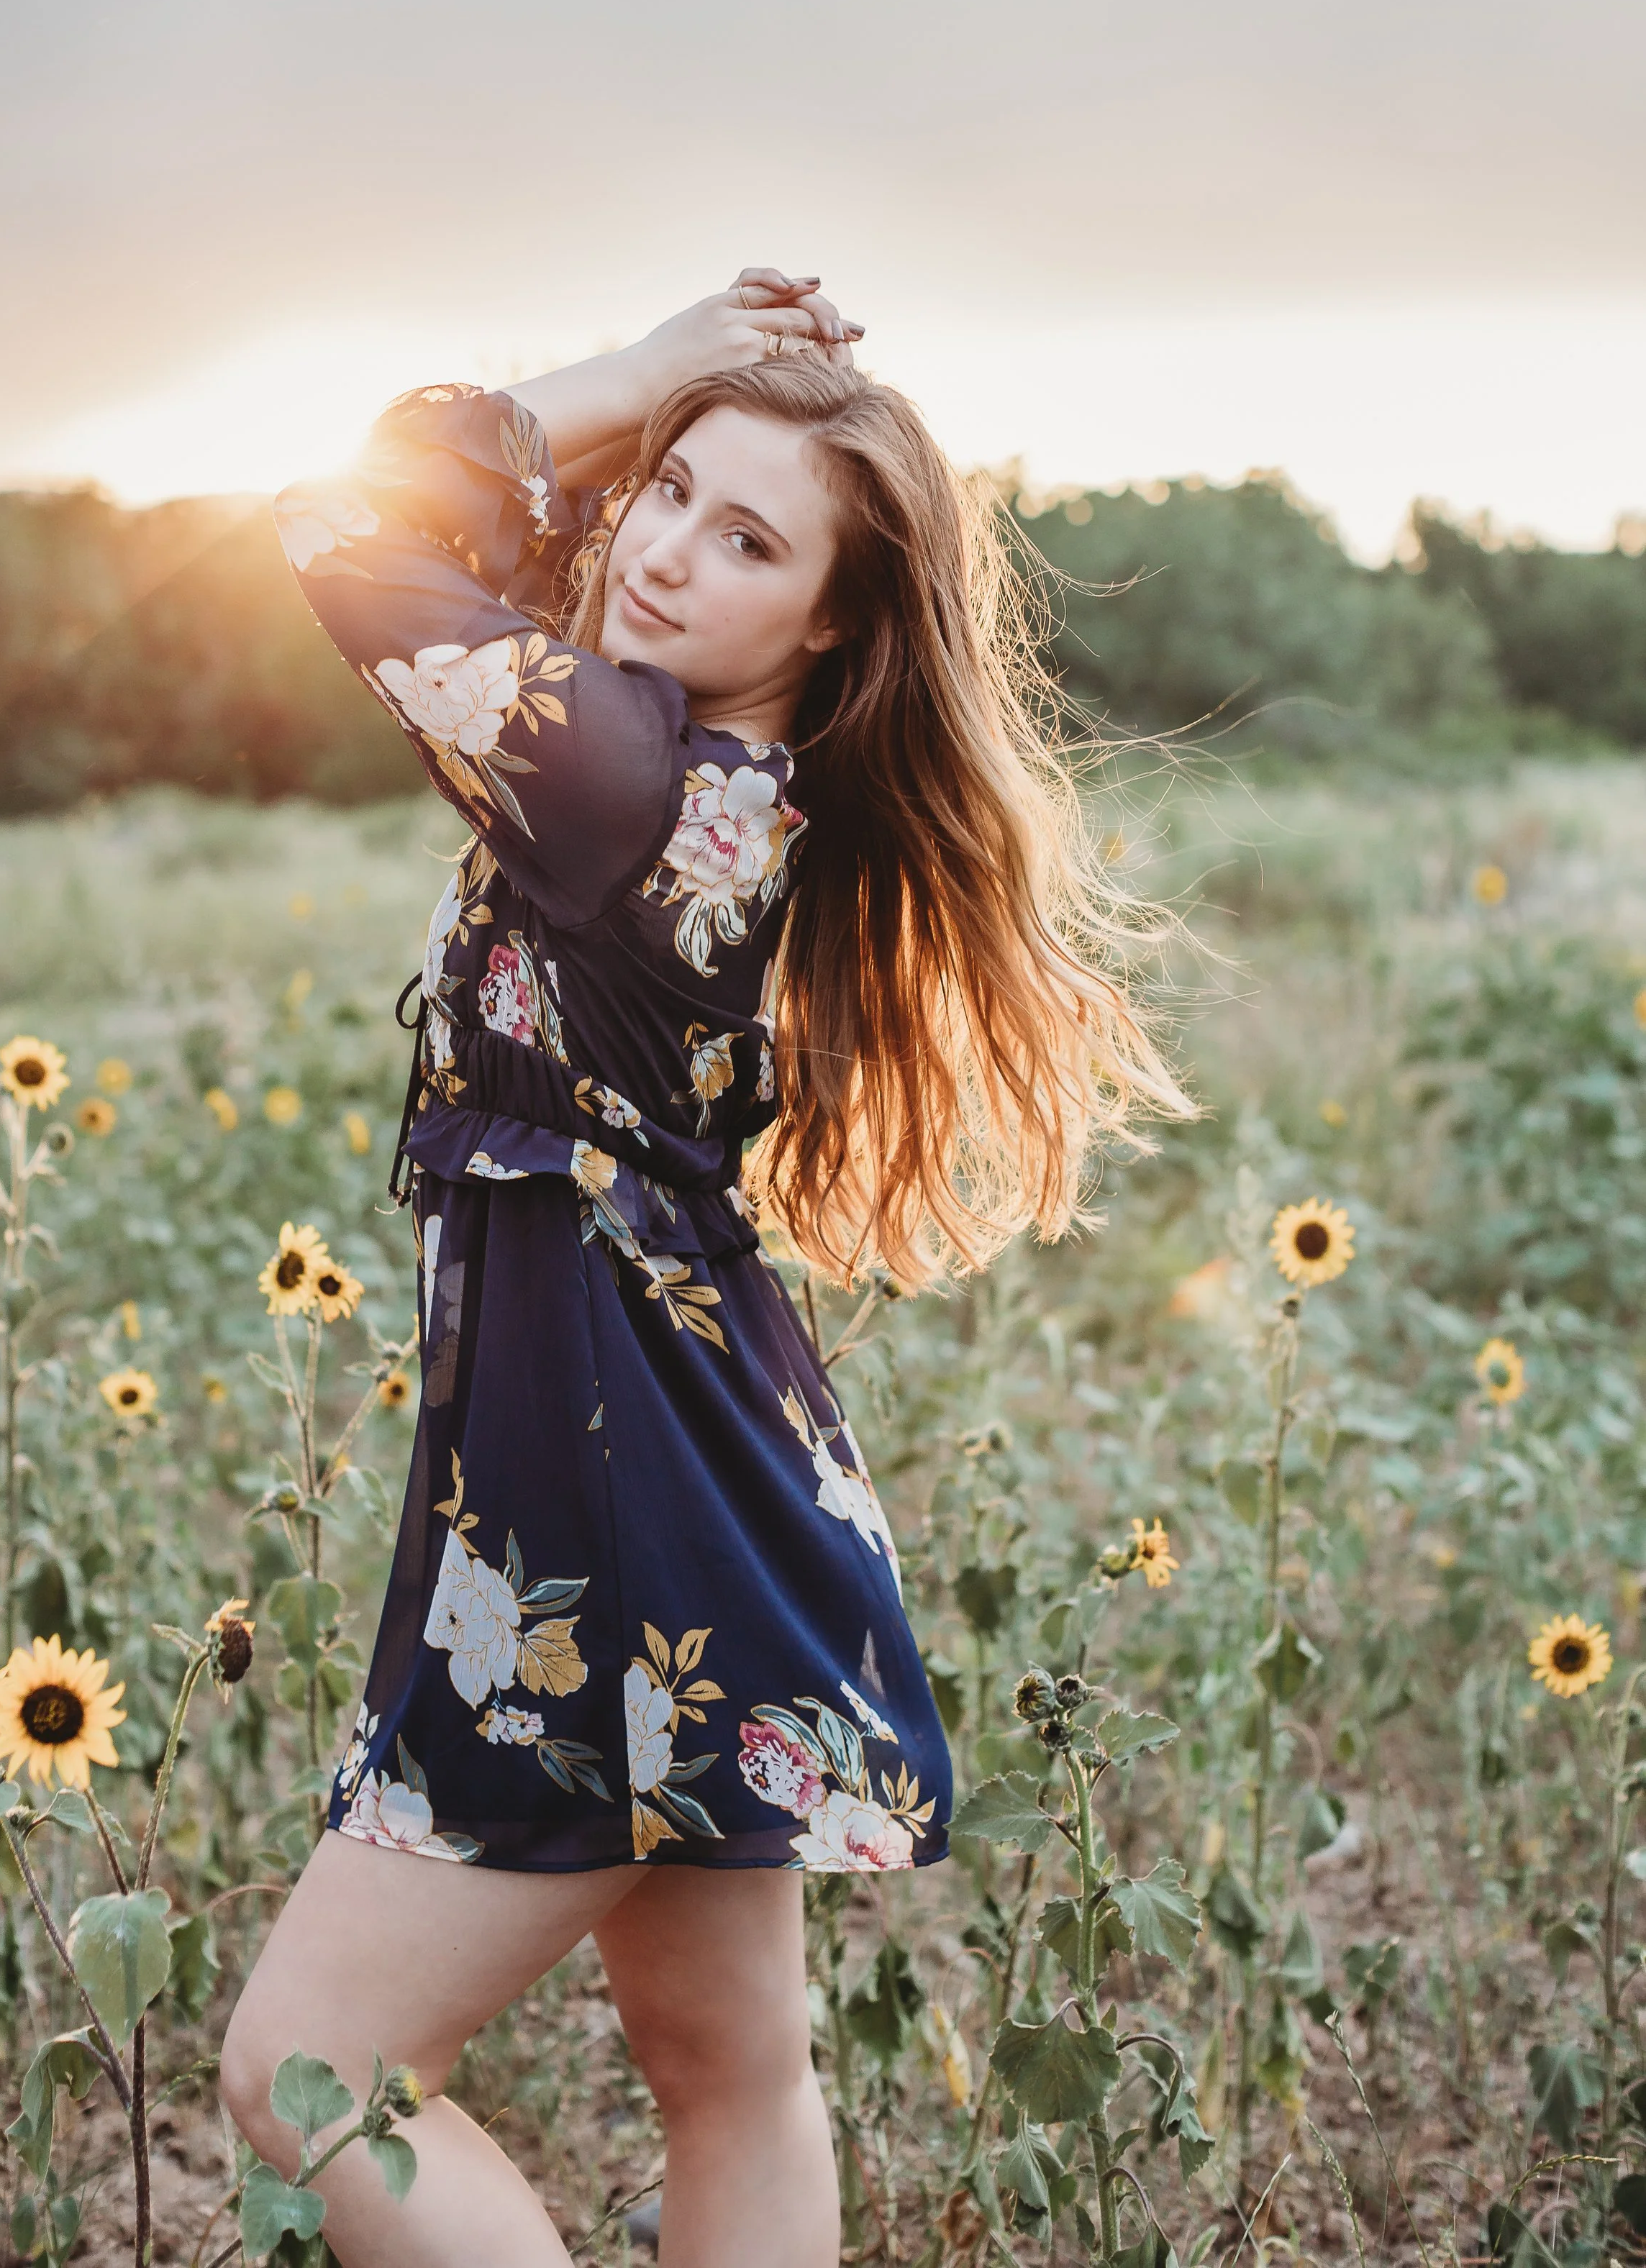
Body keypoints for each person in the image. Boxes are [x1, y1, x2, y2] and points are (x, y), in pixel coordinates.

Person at [220, 271, 1186, 2266]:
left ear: (830, 616)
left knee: (303, 2072)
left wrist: (652, 369)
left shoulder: (607, 772)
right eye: (664, 488)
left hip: (610, 1510)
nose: (661, 547)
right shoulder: (734, 790)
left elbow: (349, 511)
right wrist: (666, 428)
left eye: (744, 536)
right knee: (727, 2062)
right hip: (712, 1488)